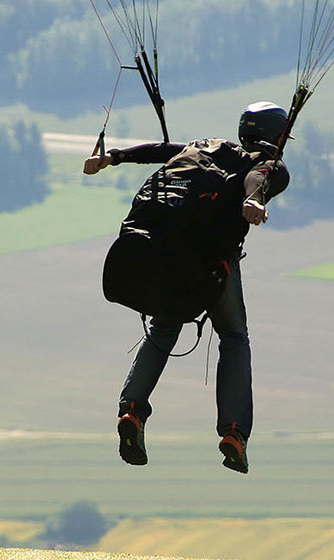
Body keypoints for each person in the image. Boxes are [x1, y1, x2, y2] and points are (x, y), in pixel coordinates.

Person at [83, 102, 291, 474]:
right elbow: (258, 177)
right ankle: (233, 432)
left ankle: (132, 409)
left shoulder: (208, 146)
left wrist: (113, 157)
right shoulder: (269, 165)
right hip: (204, 266)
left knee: (164, 328)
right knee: (233, 336)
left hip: (160, 249)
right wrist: (253, 200)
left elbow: (163, 151)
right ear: (279, 137)